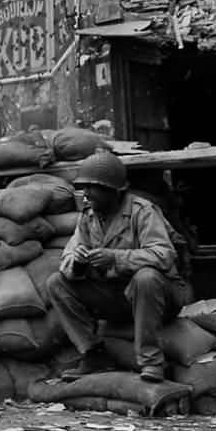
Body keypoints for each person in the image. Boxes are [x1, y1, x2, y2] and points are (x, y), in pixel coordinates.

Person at [46, 150, 192, 383]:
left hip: (162, 295)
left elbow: (164, 255)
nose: (87, 194)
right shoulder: (88, 217)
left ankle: (152, 361)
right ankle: (94, 354)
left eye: (94, 188)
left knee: (145, 277)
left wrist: (115, 258)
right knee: (56, 283)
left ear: (114, 191)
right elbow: (67, 260)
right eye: (85, 187)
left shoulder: (142, 211)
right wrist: (79, 263)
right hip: (118, 296)